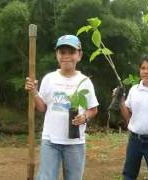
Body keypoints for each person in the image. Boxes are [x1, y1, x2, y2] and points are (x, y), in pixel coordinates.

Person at [25, 35, 99, 180]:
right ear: (57, 55)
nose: (66, 56)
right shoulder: (49, 78)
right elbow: (42, 108)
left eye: (71, 52)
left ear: (79, 55)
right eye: (62, 52)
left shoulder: (85, 81)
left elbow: (93, 109)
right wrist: (34, 92)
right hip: (50, 141)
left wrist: (84, 117)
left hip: (75, 143)